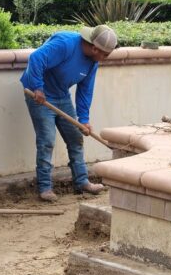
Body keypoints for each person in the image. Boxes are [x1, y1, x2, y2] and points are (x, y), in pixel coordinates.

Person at [20, 24, 117, 202]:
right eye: (105, 54)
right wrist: (38, 88)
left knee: (75, 137)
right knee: (47, 141)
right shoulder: (66, 44)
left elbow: (85, 91)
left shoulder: (93, 62)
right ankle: (45, 187)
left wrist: (84, 120)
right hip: (39, 96)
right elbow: (36, 58)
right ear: (95, 48)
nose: (105, 58)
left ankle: (82, 182)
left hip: (61, 96)